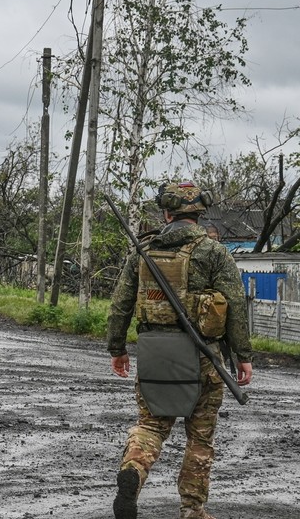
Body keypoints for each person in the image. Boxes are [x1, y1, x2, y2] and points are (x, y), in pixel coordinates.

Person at [107, 181, 254, 519]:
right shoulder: (214, 252)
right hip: (204, 358)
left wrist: (117, 348)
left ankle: (133, 470)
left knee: (151, 425)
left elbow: (120, 304)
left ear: (166, 212)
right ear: (200, 214)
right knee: (200, 437)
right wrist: (243, 357)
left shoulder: (144, 250)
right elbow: (234, 306)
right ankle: (193, 509)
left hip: (155, 352)